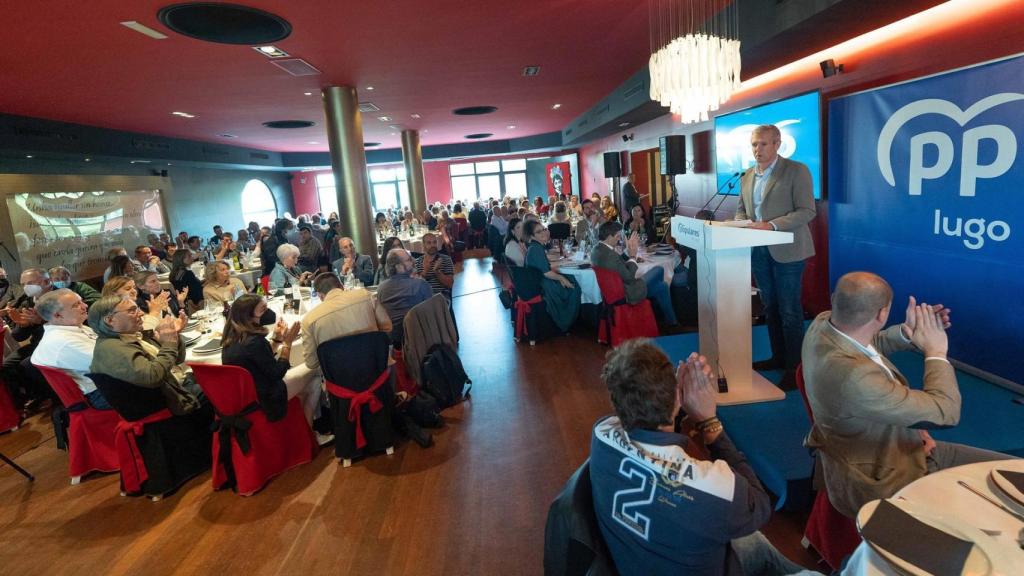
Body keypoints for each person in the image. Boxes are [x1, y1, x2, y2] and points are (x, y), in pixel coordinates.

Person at [590, 340, 820, 576]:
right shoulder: (710, 489)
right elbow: (759, 506)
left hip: (638, 556)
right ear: (678, 399)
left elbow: (652, 429)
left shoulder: (601, 433)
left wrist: (672, 399)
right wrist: (709, 422)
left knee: (755, 543)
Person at [802, 272, 1010, 518]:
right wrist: (936, 352)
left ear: (836, 300)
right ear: (882, 314)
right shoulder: (855, 377)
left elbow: (869, 345)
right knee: (1008, 479)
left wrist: (908, 332)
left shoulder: (823, 324)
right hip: (885, 474)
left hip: (891, 444)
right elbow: (946, 412)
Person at [87, 295, 212, 494]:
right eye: (132, 311)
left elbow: (175, 359)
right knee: (216, 389)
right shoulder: (113, 350)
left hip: (164, 393)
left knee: (206, 378)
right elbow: (153, 376)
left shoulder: (127, 339)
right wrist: (169, 344)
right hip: (161, 405)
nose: (140, 314)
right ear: (110, 320)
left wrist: (173, 337)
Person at [736, 124, 817, 389]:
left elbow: (807, 211)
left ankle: (796, 369)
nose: (757, 150)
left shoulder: (796, 171)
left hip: (789, 251)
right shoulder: (747, 175)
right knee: (770, 307)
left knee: (790, 310)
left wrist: (770, 225)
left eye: (763, 144)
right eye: (754, 145)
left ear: (777, 144)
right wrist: (740, 224)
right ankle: (778, 357)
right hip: (759, 251)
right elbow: (741, 211)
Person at [221, 294, 324, 426]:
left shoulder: (232, 337)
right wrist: (287, 343)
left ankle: (303, 431)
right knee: (315, 371)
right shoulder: (255, 341)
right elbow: (277, 372)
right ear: (249, 316)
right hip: (266, 397)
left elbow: (259, 359)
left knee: (309, 384)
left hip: (245, 396)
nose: (268, 312)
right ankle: (309, 431)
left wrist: (276, 340)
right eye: (263, 310)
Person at [30, 289, 111, 409]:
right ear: (57, 315)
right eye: (76, 305)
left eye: (81, 301)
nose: (85, 306)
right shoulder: (63, 342)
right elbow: (111, 364)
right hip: (99, 392)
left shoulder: (73, 327)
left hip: (104, 382)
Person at [591, 221, 678, 327]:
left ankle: (670, 320)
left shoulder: (597, 249)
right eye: (618, 236)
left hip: (614, 291)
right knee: (659, 270)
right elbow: (629, 277)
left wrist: (628, 252)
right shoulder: (610, 255)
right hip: (626, 292)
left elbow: (617, 265)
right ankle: (669, 320)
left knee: (662, 286)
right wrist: (632, 257)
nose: (619, 239)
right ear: (609, 236)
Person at [301, 272, 392, 371]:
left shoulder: (309, 320)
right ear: (341, 286)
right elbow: (387, 327)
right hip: (378, 367)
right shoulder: (366, 295)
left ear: (319, 296)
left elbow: (311, 363)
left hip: (340, 379)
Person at [1, 268, 55, 409]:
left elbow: (70, 322)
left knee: (27, 364)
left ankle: (52, 397)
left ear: (46, 281)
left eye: (30, 283)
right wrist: (23, 325)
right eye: (23, 284)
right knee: (6, 365)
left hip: (56, 342)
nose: (26, 287)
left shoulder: (61, 296)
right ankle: (25, 401)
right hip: (37, 343)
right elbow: (18, 336)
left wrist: (40, 321)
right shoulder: (28, 301)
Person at [523, 221, 580, 333]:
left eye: (543, 229)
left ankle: (572, 318)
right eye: (538, 232)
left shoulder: (536, 246)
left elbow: (544, 266)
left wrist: (562, 266)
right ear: (532, 236)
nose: (544, 233)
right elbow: (546, 273)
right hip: (542, 284)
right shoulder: (535, 248)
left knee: (570, 278)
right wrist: (562, 279)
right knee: (573, 286)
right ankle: (566, 321)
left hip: (540, 280)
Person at [377, 248, 433, 347]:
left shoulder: (381, 288)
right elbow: (432, 312)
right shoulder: (420, 284)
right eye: (408, 260)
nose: (414, 261)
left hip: (393, 340)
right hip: (419, 338)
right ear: (398, 267)